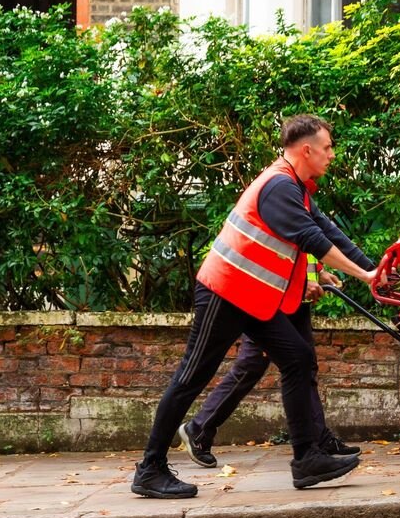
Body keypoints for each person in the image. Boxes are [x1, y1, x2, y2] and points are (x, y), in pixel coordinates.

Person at [132, 114, 383, 498]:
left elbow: (327, 229)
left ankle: (307, 458)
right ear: (306, 150)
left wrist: (374, 268)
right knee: (191, 377)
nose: (332, 154)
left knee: (297, 357)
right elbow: (311, 238)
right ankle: (150, 469)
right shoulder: (279, 186)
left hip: (253, 298)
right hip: (224, 292)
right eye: (328, 147)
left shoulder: (296, 187)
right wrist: (364, 276)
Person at [175, 255, 362, 469]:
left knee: (305, 366)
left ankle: (319, 437)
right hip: (274, 299)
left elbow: (302, 245)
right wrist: (302, 282)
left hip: (294, 300)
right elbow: (275, 248)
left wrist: (318, 271)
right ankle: (199, 428)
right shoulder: (271, 219)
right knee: (251, 366)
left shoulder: (302, 220)